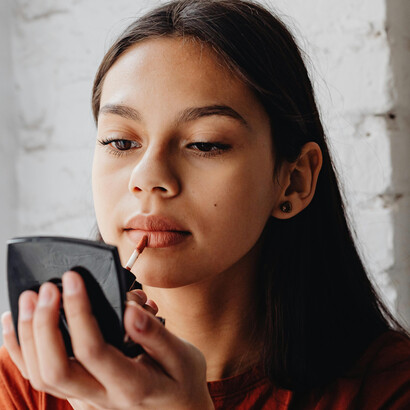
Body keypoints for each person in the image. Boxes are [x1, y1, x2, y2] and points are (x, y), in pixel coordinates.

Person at [1, 0, 409, 408]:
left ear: (294, 181)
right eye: (120, 142)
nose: (147, 178)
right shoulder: (26, 379)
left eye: (205, 144)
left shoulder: (390, 387)